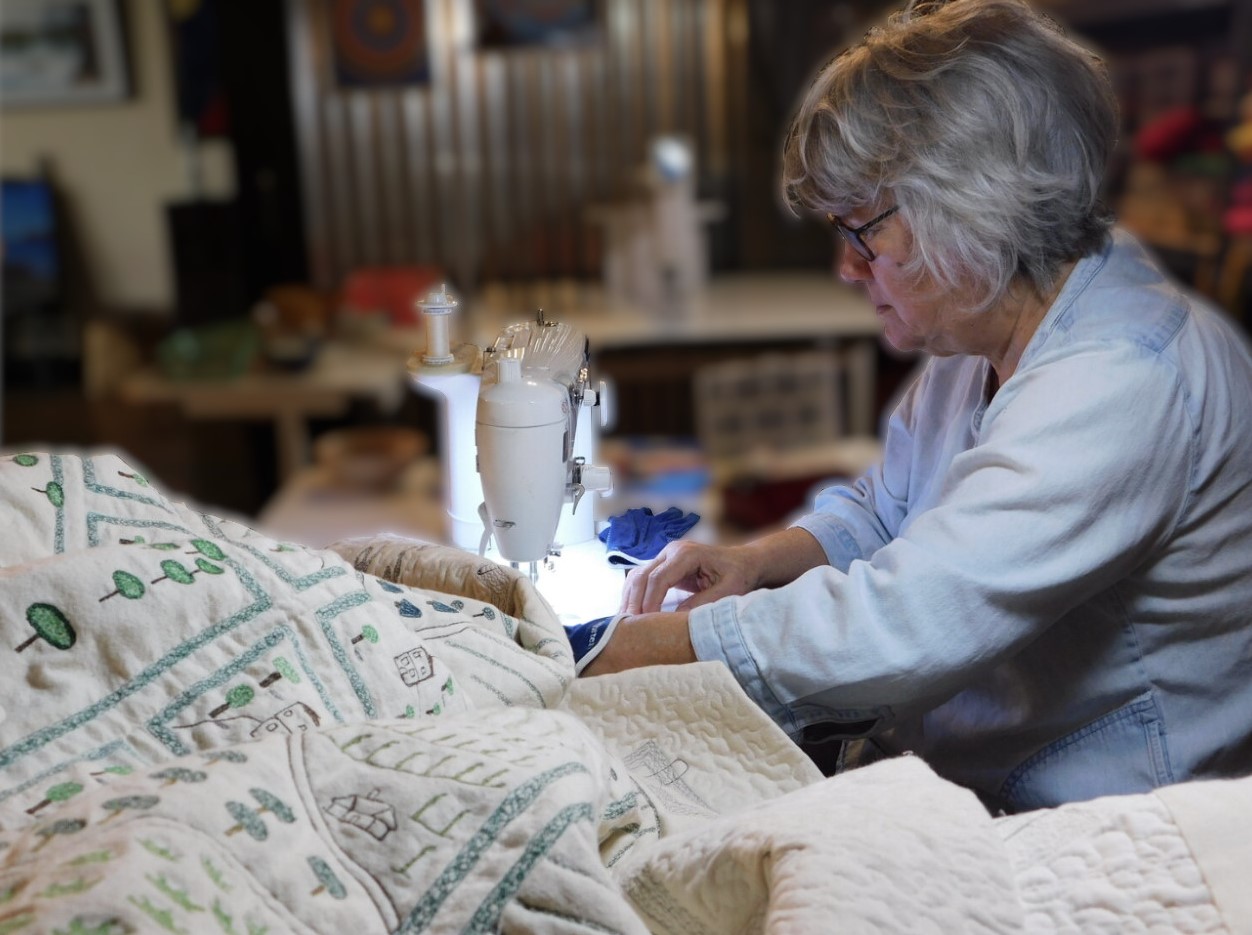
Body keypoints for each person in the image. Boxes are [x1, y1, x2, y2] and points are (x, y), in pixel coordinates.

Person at [580, 0, 1252, 813]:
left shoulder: (1124, 380)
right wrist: (760, 561)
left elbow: (909, 618)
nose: (846, 268)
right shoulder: (992, 320)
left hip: (1114, 816)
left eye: (862, 230)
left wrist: (638, 648)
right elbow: (891, 509)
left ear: (972, 205)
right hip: (992, 772)